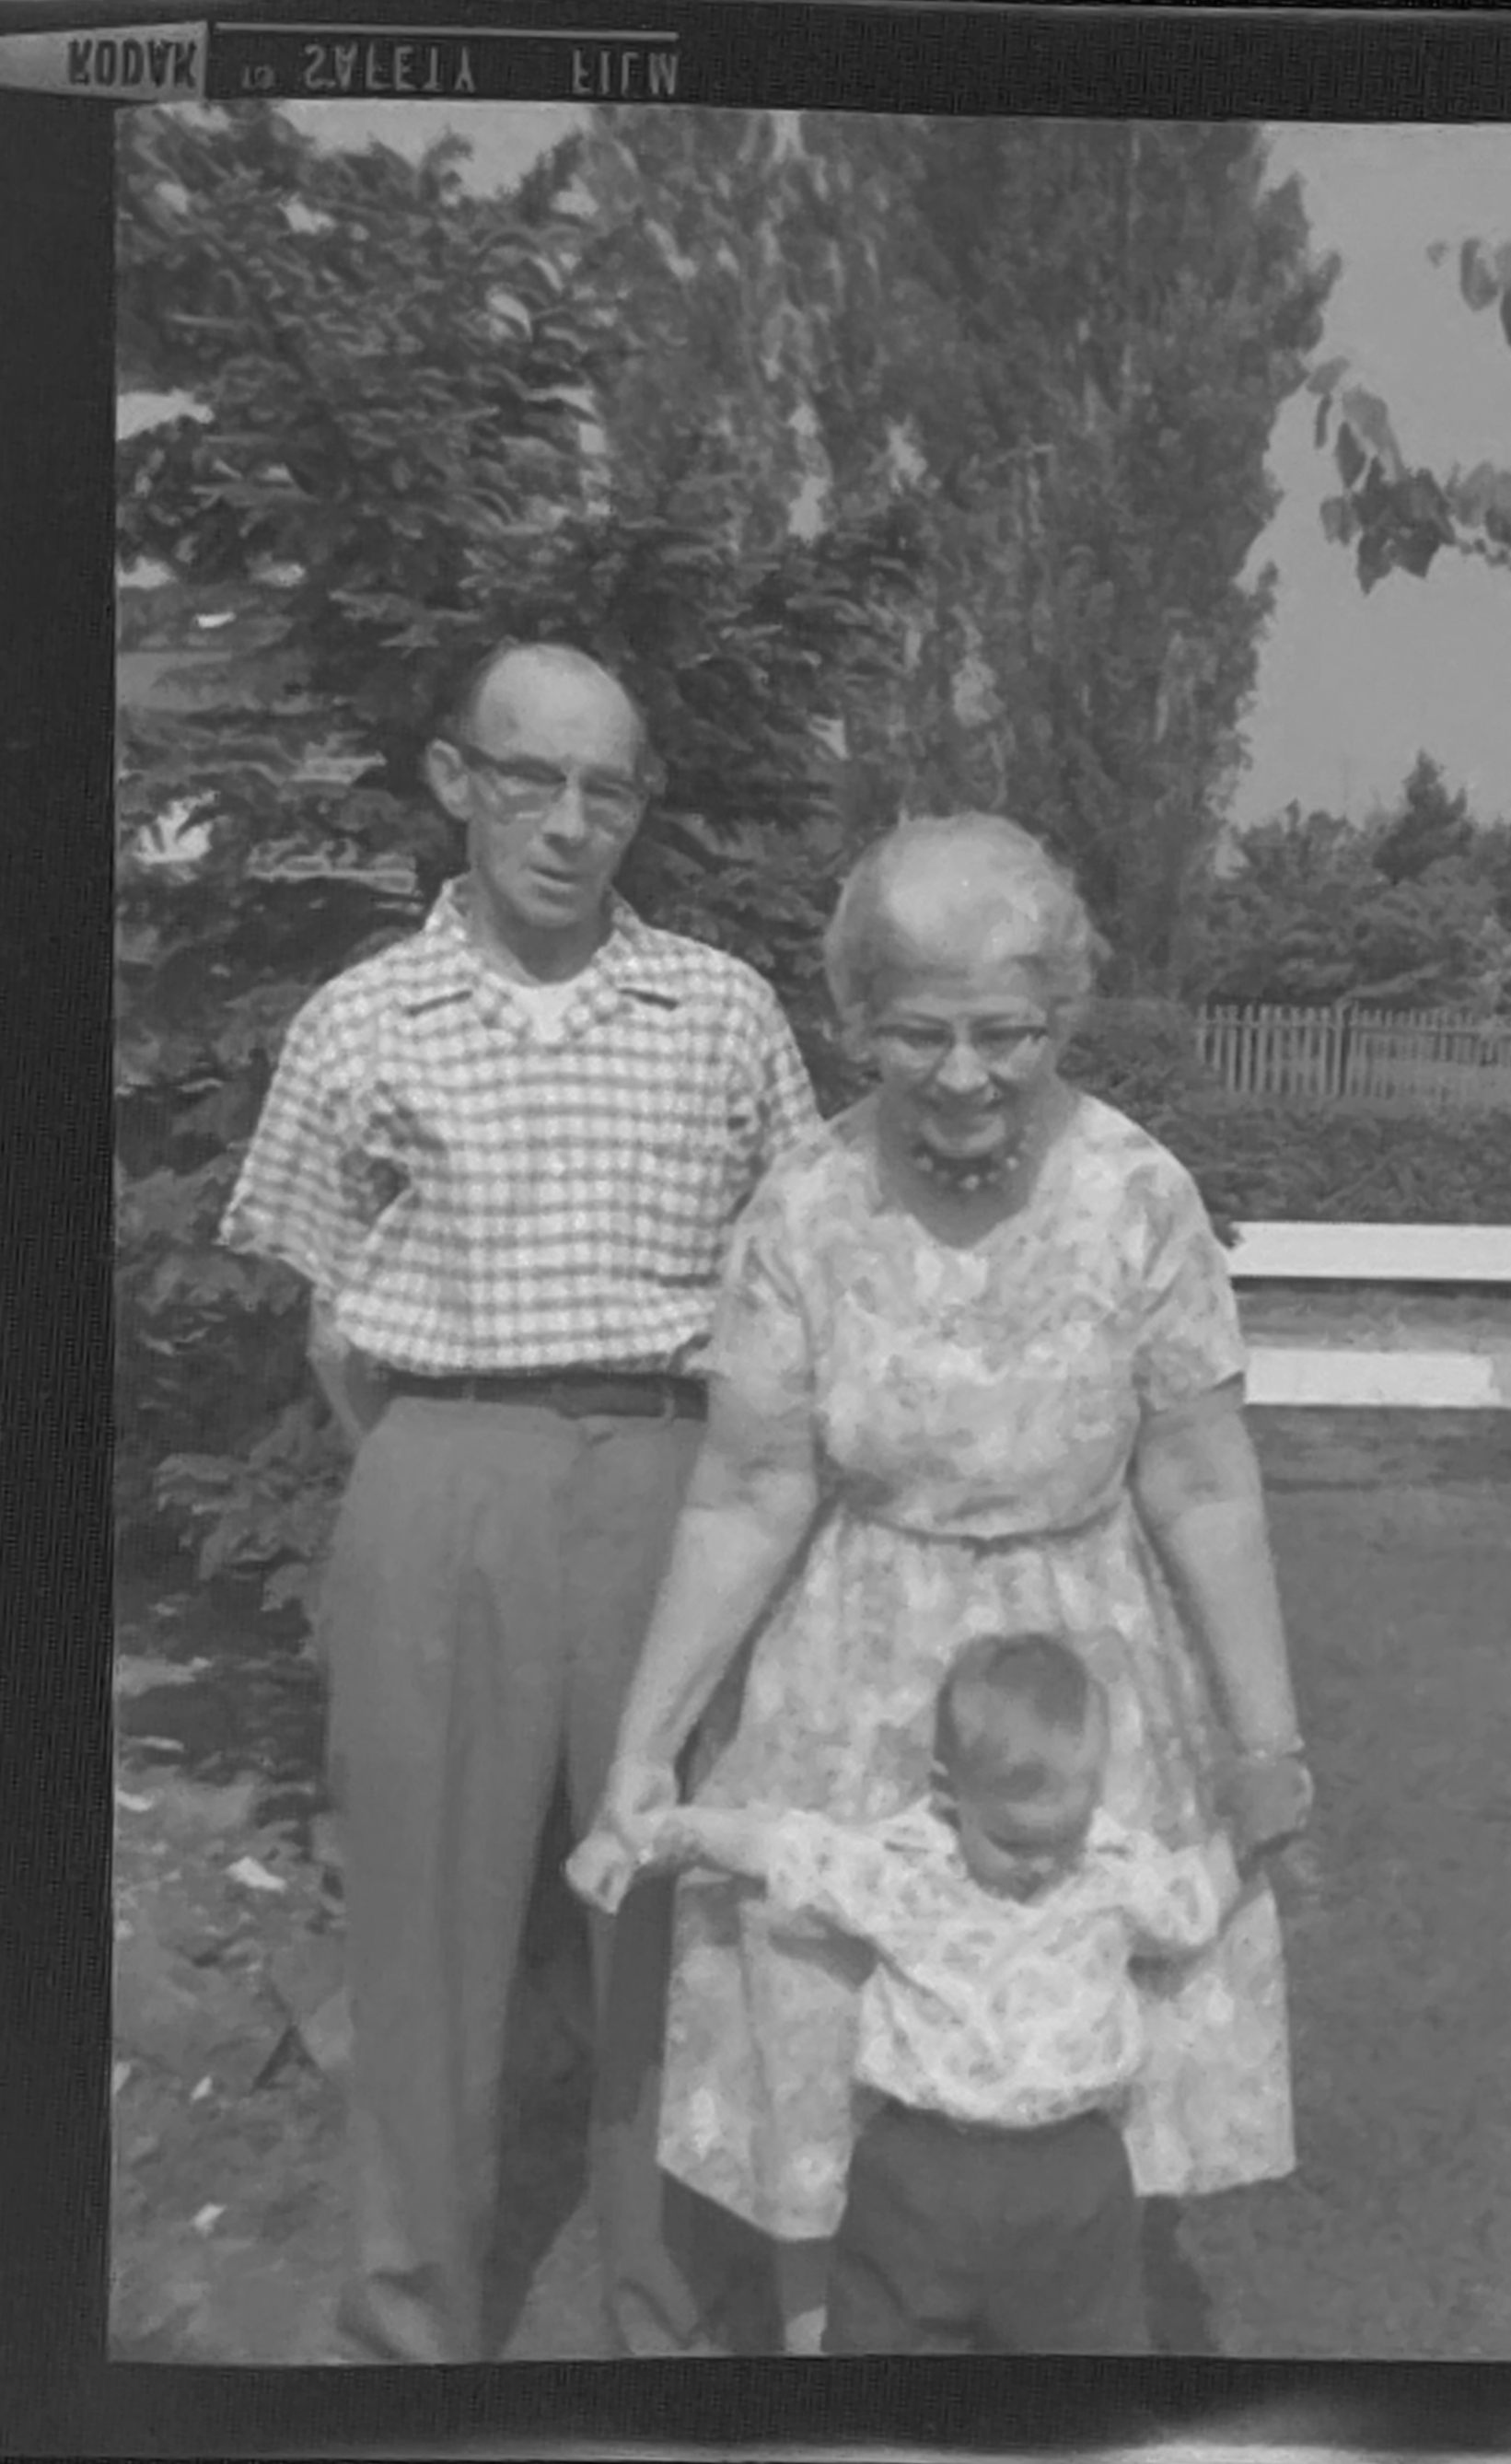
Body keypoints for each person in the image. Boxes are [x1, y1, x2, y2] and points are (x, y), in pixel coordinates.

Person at [579, 811, 1313, 2355]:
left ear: (1063, 1014)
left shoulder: (1137, 1193)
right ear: (854, 1021)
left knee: (1101, 2009)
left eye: (1007, 1031)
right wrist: (652, 1738)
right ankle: (824, 2354)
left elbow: (1198, 1475)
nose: (967, 1072)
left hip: (1089, 1675)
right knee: (823, 2021)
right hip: (851, 1678)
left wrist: (1268, 1747)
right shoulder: (804, 1201)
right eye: (919, 1032)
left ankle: (1076, 2312)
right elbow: (750, 1485)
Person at [221, 640, 820, 2363]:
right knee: (423, 1931)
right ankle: (410, 2323)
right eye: (531, 777)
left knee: (676, 1920)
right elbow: (328, 1322)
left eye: (607, 788)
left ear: (639, 805)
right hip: (442, 1478)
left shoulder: (718, 1009)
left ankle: (670, 2322)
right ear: (453, 779)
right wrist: (443, 1466)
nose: (569, 822)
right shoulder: (361, 1018)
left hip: (671, 1481)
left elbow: (785, 1294)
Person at [572, 1630, 1279, 2353]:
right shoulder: (906, 1867)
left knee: (1090, 2354)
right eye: (1011, 1841)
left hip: (1072, 2174)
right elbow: (780, 1846)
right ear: (949, 1792)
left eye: (1060, 1837)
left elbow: (1188, 1903)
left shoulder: (1112, 1868)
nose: (1039, 1865)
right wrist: (657, 1839)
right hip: (919, 2170)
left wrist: (1248, 1840)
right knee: (880, 2345)